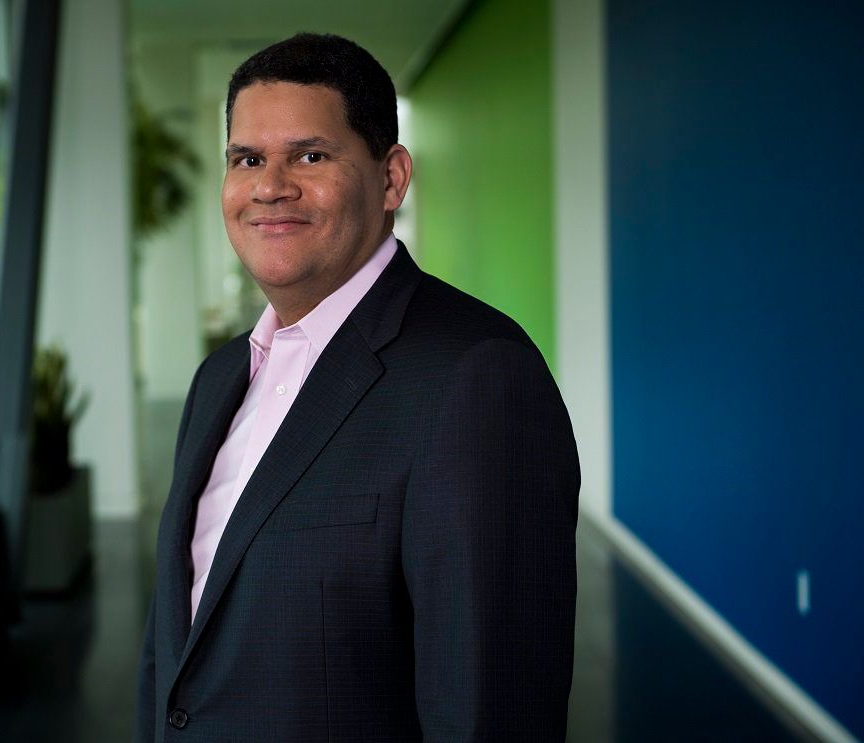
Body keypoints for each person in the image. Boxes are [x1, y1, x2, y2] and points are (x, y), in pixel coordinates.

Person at [134, 32, 579, 742]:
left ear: (392, 179)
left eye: (310, 156)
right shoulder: (218, 378)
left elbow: (492, 707)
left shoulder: (475, 377)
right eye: (247, 159)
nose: (270, 186)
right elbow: (173, 654)